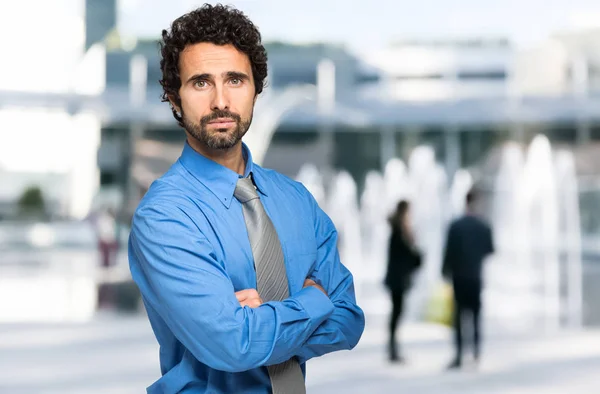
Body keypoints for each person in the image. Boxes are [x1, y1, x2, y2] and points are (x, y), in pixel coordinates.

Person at [128, 4, 365, 393]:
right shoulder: (163, 215)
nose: (221, 101)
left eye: (235, 80)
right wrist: (313, 300)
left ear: (256, 89)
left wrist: (264, 323)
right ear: (174, 98)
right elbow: (232, 345)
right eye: (201, 83)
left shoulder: (296, 200)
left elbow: (349, 319)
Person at [442, 189, 494, 369]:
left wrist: (445, 272)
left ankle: (458, 355)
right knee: (476, 316)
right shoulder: (483, 225)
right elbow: (490, 250)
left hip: (459, 277)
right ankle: (476, 353)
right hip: (475, 276)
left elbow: (447, 253)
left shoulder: (456, 225)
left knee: (459, 317)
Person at [384, 200, 422, 363]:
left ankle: (393, 347)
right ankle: (392, 349)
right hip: (398, 280)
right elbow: (409, 256)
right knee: (396, 313)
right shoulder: (400, 232)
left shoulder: (397, 230)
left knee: (396, 313)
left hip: (397, 279)